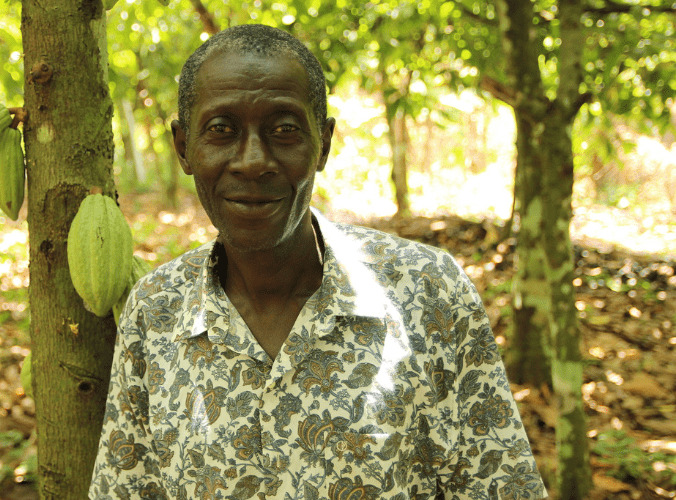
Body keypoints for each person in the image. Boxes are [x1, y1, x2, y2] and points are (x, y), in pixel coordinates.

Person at [90, 24, 547, 500]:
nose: (252, 160)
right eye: (221, 130)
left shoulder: (430, 293)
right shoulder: (156, 311)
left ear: (323, 143)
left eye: (284, 130)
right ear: (184, 147)